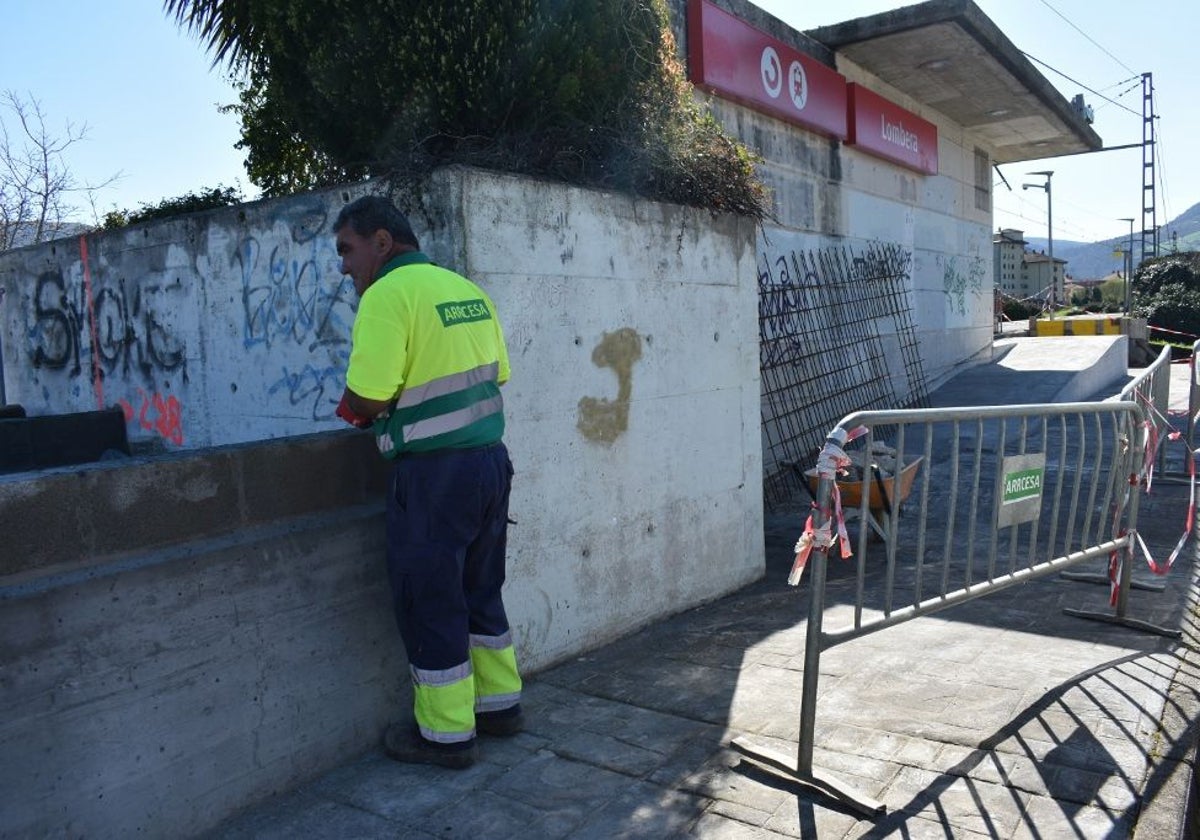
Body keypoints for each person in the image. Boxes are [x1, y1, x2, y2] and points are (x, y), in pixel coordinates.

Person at [332, 194, 523, 769]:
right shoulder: (465, 290)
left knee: (430, 602)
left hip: (433, 475)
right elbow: (499, 376)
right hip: (490, 462)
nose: (344, 265)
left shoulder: (386, 295)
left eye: (348, 249)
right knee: (480, 592)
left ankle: (445, 736)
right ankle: (500, 708)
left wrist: (361, 412)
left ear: (382, 242)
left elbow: (369, 395)